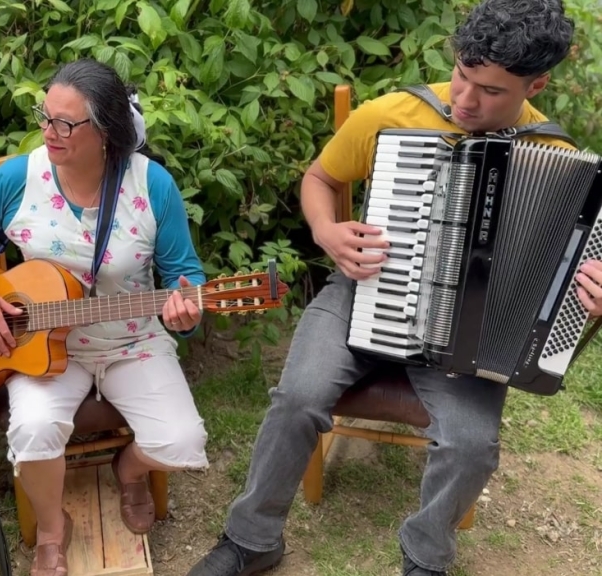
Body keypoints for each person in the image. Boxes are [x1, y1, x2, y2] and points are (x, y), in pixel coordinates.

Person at [187, 1, 602, 575]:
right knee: (297, 397)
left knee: (471, 445)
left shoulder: (555, 159)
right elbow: (320, 178)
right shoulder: (395, 112)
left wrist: (590, 301)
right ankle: (252, 539)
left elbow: (557, 293)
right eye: (460, 73)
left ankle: (426, 557)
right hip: (362, 290)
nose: (463, 99)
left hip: (467, 339)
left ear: (537, 84)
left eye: (489, 90)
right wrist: (327, 230)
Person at [0, 58, 210, 576]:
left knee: (182, 442)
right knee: (34, 429)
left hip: (132, 341)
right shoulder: (20, 177)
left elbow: (183, 277)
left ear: (106, 132)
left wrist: (184, 311)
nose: (48, 131)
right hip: (42, 348)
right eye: (46, 115)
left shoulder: (153, 186)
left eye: (65, 122)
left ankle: (128, 469)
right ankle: (52, 531)